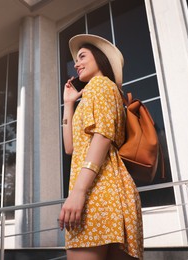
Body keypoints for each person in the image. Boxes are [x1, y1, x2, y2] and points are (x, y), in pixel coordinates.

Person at [59, 34, 143, 260]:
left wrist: (78, 192)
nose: (76, 63)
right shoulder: (94, 93)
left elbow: (102, 137)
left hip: (98, 193)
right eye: (76, 59)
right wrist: (68, 105)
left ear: (101, 58)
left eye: (82, 56)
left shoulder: (100, 85)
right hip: (108, 192)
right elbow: (70, 148)